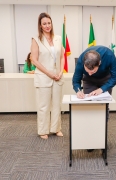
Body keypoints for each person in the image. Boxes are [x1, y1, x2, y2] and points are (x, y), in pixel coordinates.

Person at [31, 12, 65, 140]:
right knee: (43, 106)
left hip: (57, 77)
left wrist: (61, 72)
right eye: (44, 23)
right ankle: (43, 130)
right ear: (40, 26)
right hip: (44, 77)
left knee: (57, 105)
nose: (47, 26)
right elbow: (34, 60)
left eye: (49, 23)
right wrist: (49, 73)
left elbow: (63, 56)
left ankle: (56, 128)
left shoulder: (58, 38)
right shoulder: (36, 40)